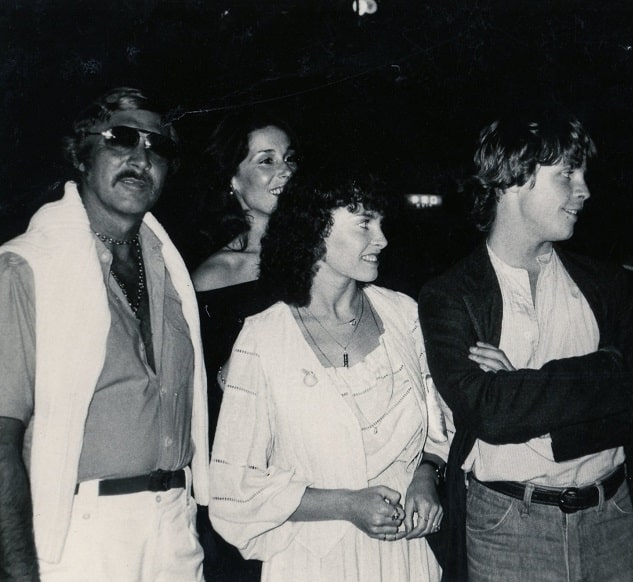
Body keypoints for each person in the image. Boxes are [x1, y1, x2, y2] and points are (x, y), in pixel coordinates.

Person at [418, 113, 633, 581]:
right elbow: (487, 414)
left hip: (612, 519)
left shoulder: (609, 286)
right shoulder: (450, 296)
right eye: (567, 174)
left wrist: (520, 389)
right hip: (507, 528)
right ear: (513, 177)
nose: (585, 190)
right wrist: (603, 371)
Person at [0, 87, 208, 580]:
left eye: (158, 147)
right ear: (83, 153)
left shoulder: (172, 272)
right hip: (77, 537)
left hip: (176, 530)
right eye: (122, 138)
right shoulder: (26, 269)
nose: (142, 157)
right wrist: (16, 570)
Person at [208, 172, 453, 581]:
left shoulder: (404, 314)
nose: (382, 239)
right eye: (363, 223)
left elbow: (439, 424)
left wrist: (427, 474)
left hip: (404, 556)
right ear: (315, 227)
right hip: (311, 560)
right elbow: (232, 489)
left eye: (380, 222)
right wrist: (345, 504)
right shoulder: (263, 337)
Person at [191, 111, 299, 581]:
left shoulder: (332, 259)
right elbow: (199, 386)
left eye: (290, 159)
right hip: (247, 472)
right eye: (266, 160)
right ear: (234, 180)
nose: (284, 172)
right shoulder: (214, 274)